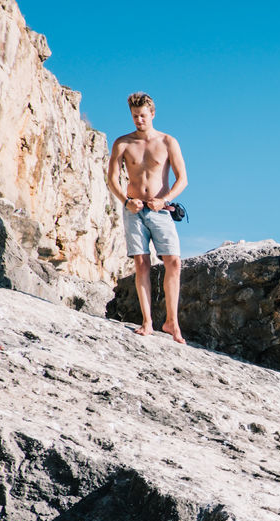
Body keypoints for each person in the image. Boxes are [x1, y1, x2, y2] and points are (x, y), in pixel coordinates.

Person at [107, 92, 189, 343]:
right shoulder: (123, 143)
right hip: (134, 209)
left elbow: (182, 179)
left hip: (160, 210)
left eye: (142, 115)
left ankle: (172, 322)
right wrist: (126, 201)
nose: (138, 120)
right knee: (141, 263)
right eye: (134, 116)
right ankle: (147, 322)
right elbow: (111, 179)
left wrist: (164, 200)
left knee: (173, 261)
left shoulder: (167, 142)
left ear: (152, 114)